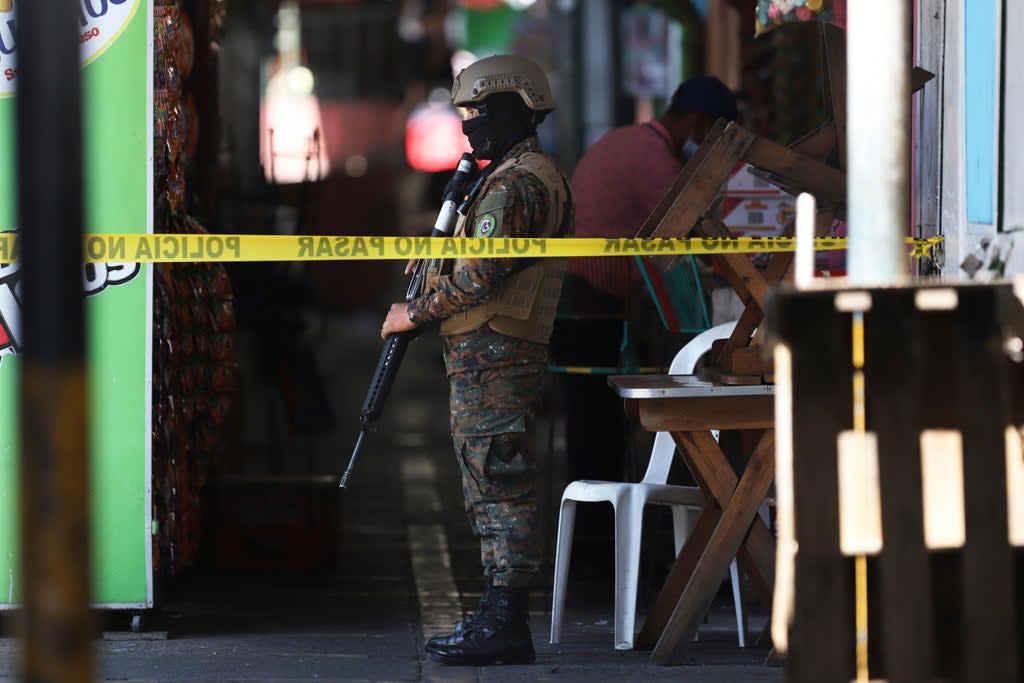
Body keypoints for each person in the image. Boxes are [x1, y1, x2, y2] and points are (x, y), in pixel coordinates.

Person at [380, 54, 574, 666]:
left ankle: (506, 618)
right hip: (486, 351)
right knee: (487, 478)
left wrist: (414, 312)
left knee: (499, 481)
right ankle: (499, 612)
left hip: (498, 351)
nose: (469, 125)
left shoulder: (516, 182)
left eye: (480, 111)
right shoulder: (509, 175)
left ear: (515, 108)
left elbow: (485, 273)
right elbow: (476, 260)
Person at [549, 76, 737, 562]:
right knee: (596, 423)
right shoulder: (653, 158)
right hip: (590, 299)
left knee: (595, 420)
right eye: (713, 136)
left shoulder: (630, 141)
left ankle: (598, 542)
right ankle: (598, 547)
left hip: (584, 296)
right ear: (699, 124)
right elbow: (690, 223)